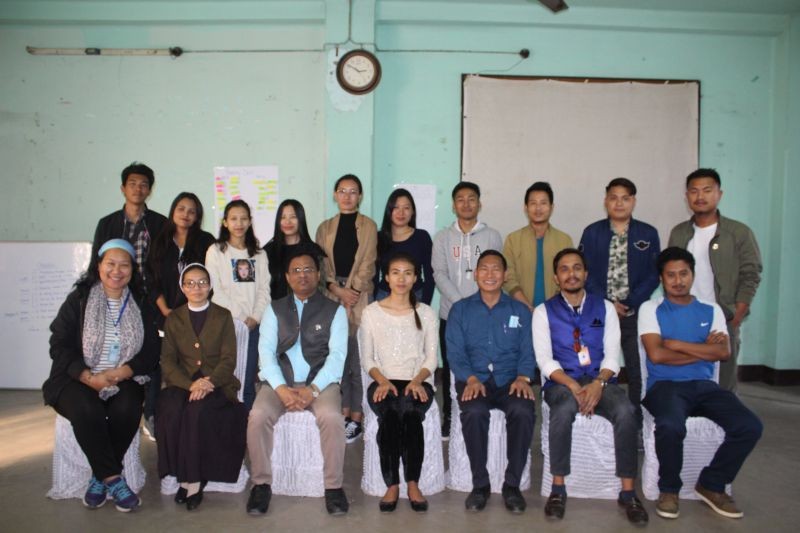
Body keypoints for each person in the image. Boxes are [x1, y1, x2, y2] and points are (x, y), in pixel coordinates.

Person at [639, 247, 763, 520]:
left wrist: (677, 345)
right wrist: (699, 349)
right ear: (661, 278)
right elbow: (657, 355)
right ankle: (669, 489)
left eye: (684, 273)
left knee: (750, 425)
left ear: (692, 275)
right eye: (671, 275)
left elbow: (723, 353)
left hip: (705, 386)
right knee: (670, 425)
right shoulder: (651, 309)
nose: (678, 280)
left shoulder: (712, 309)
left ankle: (712, 483)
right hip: (664, 387)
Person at [532, 248, 648, 525]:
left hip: (600, 379)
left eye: (576, 268)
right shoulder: (543, 312)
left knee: (626, 411)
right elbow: (544, 360)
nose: (571, 274)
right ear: (556, 277)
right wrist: (573, 385)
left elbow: (611, 355)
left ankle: (628, 492)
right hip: (562, 380)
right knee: (562, 411)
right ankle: (558, 489)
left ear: (585, 273)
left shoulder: (606, 308)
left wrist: (598, 384)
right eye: (564, 269)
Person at [43, 239, 158, 512]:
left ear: (132, 269)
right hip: (78, 377)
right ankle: (114, 479)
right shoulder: (80, 299)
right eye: (111, 264)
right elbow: (58, 343)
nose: (117, 271)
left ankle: (100, 478)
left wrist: (123, 371)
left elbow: (153, 348)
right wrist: (87, 376)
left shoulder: (140, 302)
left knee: (129, 406)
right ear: (99, 266)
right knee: (87, 408)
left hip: (124, 376)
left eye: (124, 265)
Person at [246, 246, 349, 516]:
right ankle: (260, 484)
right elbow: (265, 353)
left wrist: (313, 390)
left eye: (308, 270)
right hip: (279, 381)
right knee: (257, 415)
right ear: (288, 277)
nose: (302, 275)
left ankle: (334, 487)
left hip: (321, 382)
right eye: (296, 271)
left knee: (332, 418)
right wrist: (281, 389)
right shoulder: (274, 309)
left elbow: (337, 357)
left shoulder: (334, 310)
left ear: (318, 275)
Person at [445, 250, 536, 514]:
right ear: (475, 275)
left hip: (511, 380)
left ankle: (512, 485)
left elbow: (528, 350)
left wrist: (523, 376)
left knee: (523, 410)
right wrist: (470, 378)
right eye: (484, 269)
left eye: (496, 269)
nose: (490, 274)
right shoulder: (460, 310)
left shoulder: (519, 310)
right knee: (474, 411)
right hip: (474, 378)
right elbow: (454, 352)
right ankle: (480, 485)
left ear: (505, 275)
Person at [156, 263, 248, 510]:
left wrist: (208, 382)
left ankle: (194, 480)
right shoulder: (174, 318)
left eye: (202, 282)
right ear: (183, 288)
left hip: (217, 383)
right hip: (183, 382)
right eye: (190, 283)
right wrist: (189, 384)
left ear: (210, 286)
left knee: (197, 412)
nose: (197, 288)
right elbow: (167, 360)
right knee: (171, 409)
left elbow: (229, 359)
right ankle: (180, 474)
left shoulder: (223, 315)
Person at [668, 168, 762, 392]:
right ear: (687, 196)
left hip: (724, 316)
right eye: (694, 191)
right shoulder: (679, 233)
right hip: (686, 316)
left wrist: (736, 314)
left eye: (707, 190)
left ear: (719, 194)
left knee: (723, 383)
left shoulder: (738, 232)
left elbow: (751, 274)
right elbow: (669, 273)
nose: (700, 196)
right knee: (685, 377)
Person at [360, 252, 439, 513]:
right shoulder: (371, 312)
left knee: (412, 414)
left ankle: (413, 483)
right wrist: (381, 381)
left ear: (416, 278)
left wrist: (417, 381)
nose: (401, 278)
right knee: (392, 414)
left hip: (417, 381)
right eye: (396, 272)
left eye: (408, 273)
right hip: (382, 381)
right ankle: (392, 484)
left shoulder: (426, 313)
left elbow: (431, 358)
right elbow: (367, 358)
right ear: (386, 277)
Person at [92, 162, 166, 439]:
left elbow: (164, 264)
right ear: (123, 188)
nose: (138, 188)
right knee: (118, 350)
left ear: (150, 189)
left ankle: (150, 414)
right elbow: (96, 265)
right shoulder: (108, 223)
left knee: (153, 352)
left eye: (144, 184)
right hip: (116, 298)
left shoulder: (159, 223)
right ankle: (114, 400)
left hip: (150, 300)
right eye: (133, 183)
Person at [578, 178, 660, 429]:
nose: (619, 203)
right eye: (613, 197)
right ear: (606, 201)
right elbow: (584, 272)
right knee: (592, 366)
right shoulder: (592, 232)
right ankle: (595, 420)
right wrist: (607, 303)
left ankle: (633, 425)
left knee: (636, 371)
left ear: (633, 201)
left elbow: (654, 274)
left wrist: (630, 303)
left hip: (634, 314)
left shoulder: (648, 233)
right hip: (599, 313)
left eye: (625, 198)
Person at [432, 181, 503, 439]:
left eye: (471, 198)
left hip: (485, 313)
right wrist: (462, 303)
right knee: (452, 365)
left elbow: (494, 273)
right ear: (453, 205)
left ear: (479, 203)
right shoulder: (442, 237)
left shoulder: (491, 235)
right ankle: (449, 416)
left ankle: (483, 408)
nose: (466, 203)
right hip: (450, 313)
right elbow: (439, 273)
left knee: (485, 362)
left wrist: (476, 305)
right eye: (460, 199)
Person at [144, 192, 216, 440]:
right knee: (160, 364)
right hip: (164, 314)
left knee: (193, 362)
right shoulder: (160, 240)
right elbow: (150, 278)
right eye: (181, 209)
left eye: (192, 211)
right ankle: (152, 415)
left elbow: (211, 278)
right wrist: (165, 309)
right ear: (173, 210)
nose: (186, 214)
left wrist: (192, 307)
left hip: (196, 314)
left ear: (198, 216)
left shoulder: (206, 241)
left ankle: (190, 412)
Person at [316, 174, 378, 443]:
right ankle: (341, 414)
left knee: (356, 360)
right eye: (343, 191)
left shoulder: (369, 226)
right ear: (335, 194)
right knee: (335, 359)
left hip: (360, 297)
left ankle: (357, 418)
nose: (348, 196)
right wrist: (336, 290)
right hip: (331, 297)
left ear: (360, 196)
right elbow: (320, 265)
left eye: (353, 192)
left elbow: (369, 262)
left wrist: (351, 291)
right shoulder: (325, 227)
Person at [205, 199, 270, 410]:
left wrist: (255, 318)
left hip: (253, 327)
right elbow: (215, 291)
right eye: (233, 218)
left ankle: (246, 430)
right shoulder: (216, 251)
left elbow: (264, 290)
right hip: (225, 325)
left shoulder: (259, 254)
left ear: (250, 222)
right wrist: (241, 317)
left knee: (248, 379)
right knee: (224, 379)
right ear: (225, 222)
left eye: (243, 218)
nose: (238, 223)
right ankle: (225, 429)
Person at [503, 181, 573, 312]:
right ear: (526, 207)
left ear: (552, 207)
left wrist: (548, 309)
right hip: (519, 310)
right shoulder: (513, 239)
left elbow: (569, 277)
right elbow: (508, 277)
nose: (538, 208)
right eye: (533, 203)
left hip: (556, 311)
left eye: (543, 203)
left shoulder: (564, 240)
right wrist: (527, 306)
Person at [374, 189, 434, 304]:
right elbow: (374, 275)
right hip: (384, 296)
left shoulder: (422, 237)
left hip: (415, 296)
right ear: (389, 210)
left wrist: (425, 305)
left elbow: (430, 276)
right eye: (396, 207)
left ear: (412, 212)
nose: (401, 213)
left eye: (406, 208)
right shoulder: (378, 237)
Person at [263, 199, 324, 300]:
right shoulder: (267, 252)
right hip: (275, 310)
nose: (288, 221)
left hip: (308, 311)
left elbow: (321, 286)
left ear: (301, 219)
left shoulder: (314, 251)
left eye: (293, 217)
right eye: (283, 217)